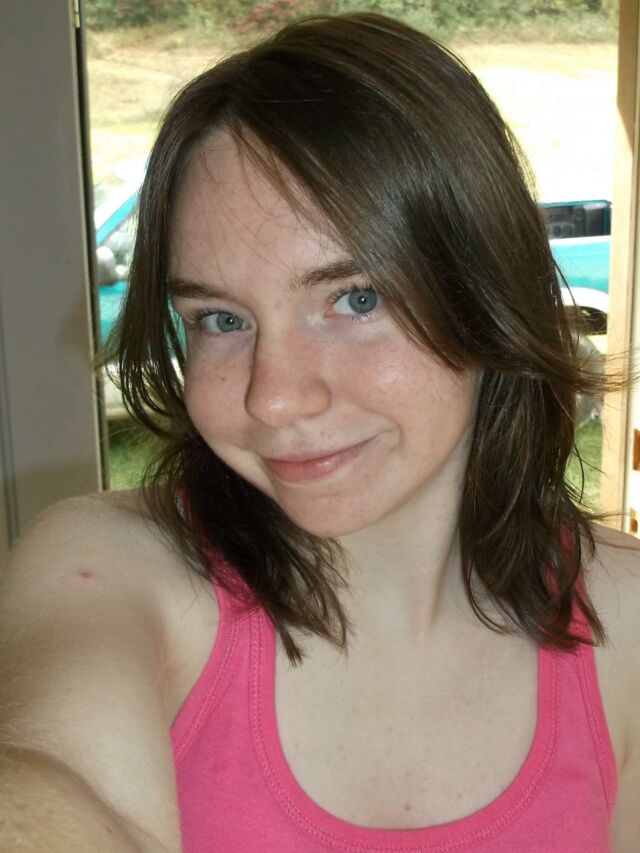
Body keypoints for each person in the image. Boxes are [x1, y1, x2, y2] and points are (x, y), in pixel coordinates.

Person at [1, 12, 638, 852]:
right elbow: (55, 776)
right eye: (222, 318)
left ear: (488, 292)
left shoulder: (626, 628)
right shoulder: (113, 572)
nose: (274, 399)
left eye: (355, 299)